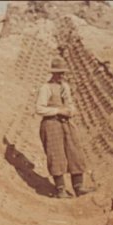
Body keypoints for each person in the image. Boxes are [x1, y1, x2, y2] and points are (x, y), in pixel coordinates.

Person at [35, 57, 93, 198]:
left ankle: (78, 187)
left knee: (75, 152)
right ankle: (60, 189)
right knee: (56, 155)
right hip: (51, 123)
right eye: (58, 73)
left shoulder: (65, 87)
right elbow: (39, 108)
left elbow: (70, 103)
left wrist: (70, 111)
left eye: (63, 73)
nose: (61, 75)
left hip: (66, 123)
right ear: (53, 73)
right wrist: (57, 111)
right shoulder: (45, 88)